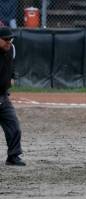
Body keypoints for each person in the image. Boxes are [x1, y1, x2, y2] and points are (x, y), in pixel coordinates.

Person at [0, 26, 25, 166]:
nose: (8, 42)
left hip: (3, 97)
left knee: (14, 127)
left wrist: (13, 76)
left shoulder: (11, 50)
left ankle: (13, 156)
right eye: (5, 40)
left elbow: (12, 64)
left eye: (10, 39)